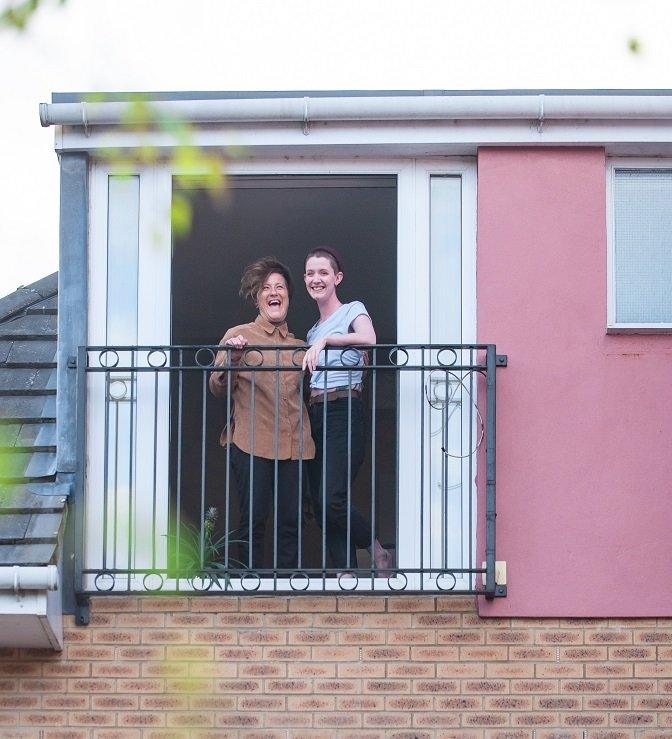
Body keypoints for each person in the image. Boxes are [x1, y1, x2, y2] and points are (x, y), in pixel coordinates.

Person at [209, 257, 314, 573]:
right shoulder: (238, 334)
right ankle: (249, 584)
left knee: (292, 522)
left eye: (279, 287)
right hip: (251, 443)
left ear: (288, 297)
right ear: (257, 298)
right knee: (253, 518)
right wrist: (234, 358)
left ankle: (288, 585)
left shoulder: (301, 346)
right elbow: (217, 386)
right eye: (266, 288)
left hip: (297, 446)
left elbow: (310, 394)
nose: (274, 292)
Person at [302, 246, 393, 574]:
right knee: (322, 504)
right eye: (310, 273)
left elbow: (369, 339)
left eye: (323, 272)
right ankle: (344, 571)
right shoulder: (312, 330)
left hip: (343, 409)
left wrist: (329, 341)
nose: (316, 279)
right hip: (316, 414)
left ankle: (377, 549)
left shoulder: (352, 310)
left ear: (337, 278)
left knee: (332, 497)